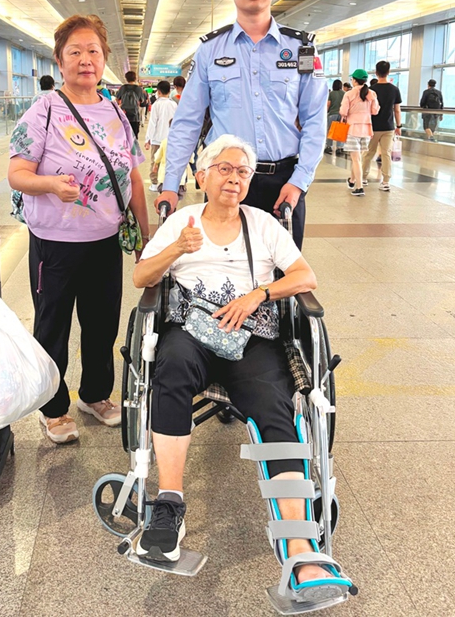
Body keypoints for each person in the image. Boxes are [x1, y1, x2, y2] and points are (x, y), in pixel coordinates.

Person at [133, 136, 347, 597]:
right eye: (224, 169)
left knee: (274, 404)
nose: (234, 178)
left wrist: (258, 295)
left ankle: (302, 553)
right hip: (191, 333)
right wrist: (175, 251)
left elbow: (305, 276)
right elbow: (141, 278)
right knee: (168, 373)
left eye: (243, 172)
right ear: (202, 175)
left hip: (251, 337)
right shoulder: (183, 222)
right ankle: (170, 503)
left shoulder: (265, 224)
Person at [7, 14, 150, 444]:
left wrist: (146, 234)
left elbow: (135, 177)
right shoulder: (42, 111)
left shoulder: (115, 112)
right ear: (59, 59)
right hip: (55, 243)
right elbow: (17, 174)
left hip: (105, 240)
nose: (85, 59)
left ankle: (94, 395)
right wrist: (50, 184)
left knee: (102, 322)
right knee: (52, 324)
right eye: (76, 52)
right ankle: (51, 408)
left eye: (93, 52)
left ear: (104, 59)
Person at [157, 0, 327, 250]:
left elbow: (316, 120)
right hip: (225, 181)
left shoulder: (302, 49)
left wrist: (299, 181)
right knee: (222, 274)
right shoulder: (211, 49)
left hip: (283, 184)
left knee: (282, 280)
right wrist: (171, 185)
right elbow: (188, 121)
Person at [361, 61, 402, 192]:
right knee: (386, 154)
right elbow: (397, 110)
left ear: (376, 72)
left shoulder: (371, 90)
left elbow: (366, 109)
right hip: (389, 126)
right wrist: (399, 126)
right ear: (388, 72)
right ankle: (385, 181)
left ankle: (363, 177)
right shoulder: (394, 89)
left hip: (372, 126)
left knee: (368, 152)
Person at [339, 69, 379, 197]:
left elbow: (343, 112)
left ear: (355, 80)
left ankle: (359, 187)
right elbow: (375, 111)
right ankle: (352, 180)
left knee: (355, 159)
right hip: (366, 129)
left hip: (352, 129)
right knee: (357, 158)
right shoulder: (371, 93)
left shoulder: (349, 94)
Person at [145, 81, 177, 192]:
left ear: (158, 92)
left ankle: (154, 183)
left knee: (155, 161)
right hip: (171, 139)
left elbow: (152, 123)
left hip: (157, 139)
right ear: (169, 91)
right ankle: (168, 183)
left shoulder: (156, 105)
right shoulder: (174, 104)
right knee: (169, 161)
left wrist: (148, 139)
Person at [116, 70, 146, 138]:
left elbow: (117, 99)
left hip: (124, 115)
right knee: (134, 136)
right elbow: (142, 101)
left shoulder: (123, 88)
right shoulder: (138, 89)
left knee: (124, 136)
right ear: (135, 78)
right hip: (135, 117)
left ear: (126, 78)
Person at [325, 80, 345, 155]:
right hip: (341, 115)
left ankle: (328, 147)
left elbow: (328, 104)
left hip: (332, 114)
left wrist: (326, 113)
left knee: (330, 131)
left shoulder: (331, 93)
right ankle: (339, 148)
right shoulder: (344, 93)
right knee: (340, 131)